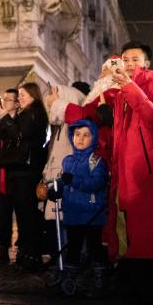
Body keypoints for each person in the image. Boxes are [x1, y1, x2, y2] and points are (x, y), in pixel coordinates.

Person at [79, 42, 153, 304]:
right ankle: (136, 290)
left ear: (147, 63)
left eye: (135, 59)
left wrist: (129, 86)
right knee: (131, 233)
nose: (128, 64)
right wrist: (104, 86)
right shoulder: (121, 90)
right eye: (124, 59)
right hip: (128, 173)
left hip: (151, 174)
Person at [0, 83, 49, 271]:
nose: (20, 98)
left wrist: (9, 119)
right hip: (21, 170)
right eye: (19, 94)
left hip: (25, 170)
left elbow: (20, 135)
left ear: (33, 95)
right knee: (24, 214)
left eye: (23, 94)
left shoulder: (32, 113)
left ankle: (30, 256)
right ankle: (27, 254)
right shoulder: (28, 113)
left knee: (27, 214)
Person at [54, 118, 108, 288]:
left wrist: (73, 180)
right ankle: (71, 274)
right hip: (73, 213)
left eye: (86, 135)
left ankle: (99, 275)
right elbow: (64, 181)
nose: (80, 139)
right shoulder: (68, 161)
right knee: (74, 246)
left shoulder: (96, 161)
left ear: (93, 138)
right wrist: (55, 191)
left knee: (94, 246)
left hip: (91, 214)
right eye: (77, 134)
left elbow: (97, 183)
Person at [42, 84, 86, 266]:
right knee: (56, 223)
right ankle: (61, 258)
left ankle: (72, 260)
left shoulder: (72, 125)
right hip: (54, 180)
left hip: (66, 180)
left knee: (68, 222)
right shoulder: (57, 126)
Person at [0, 89, 20, 264]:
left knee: (21, 214)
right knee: (3, 215)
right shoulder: (2, 121)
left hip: (16, 174)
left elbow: (17, 136)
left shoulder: (19, 120)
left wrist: (6, 119)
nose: (5, 102)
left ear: (17, 103)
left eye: (9, 99)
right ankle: (3, 250)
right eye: (4, 99)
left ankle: (22, 249)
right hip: (0, 174)